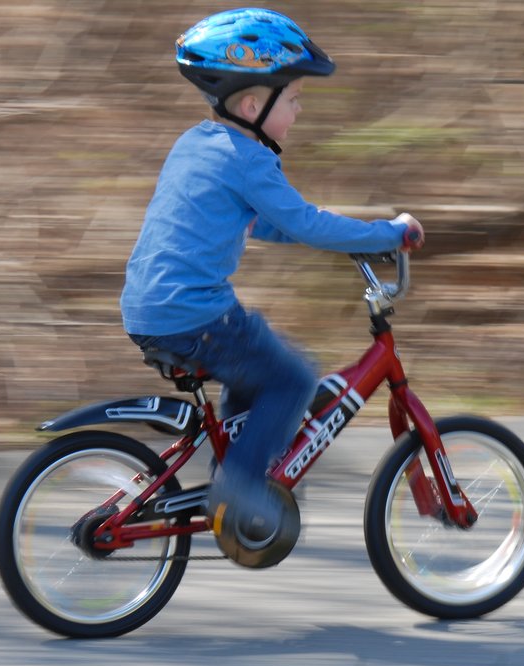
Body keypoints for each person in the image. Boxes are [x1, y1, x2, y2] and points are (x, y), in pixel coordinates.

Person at [121, 7, 423, 547]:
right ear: (254, 104)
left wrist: (322, 233)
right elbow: (306, 222)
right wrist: (388, 233)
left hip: (148, 309)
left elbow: (264, 223)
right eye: (294, 97)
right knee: (293, 379)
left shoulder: (197, 143)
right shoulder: (249, 160)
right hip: (197, 315)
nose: (300, 108)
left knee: (255, 373)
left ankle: (238, 477)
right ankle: (237, 486)